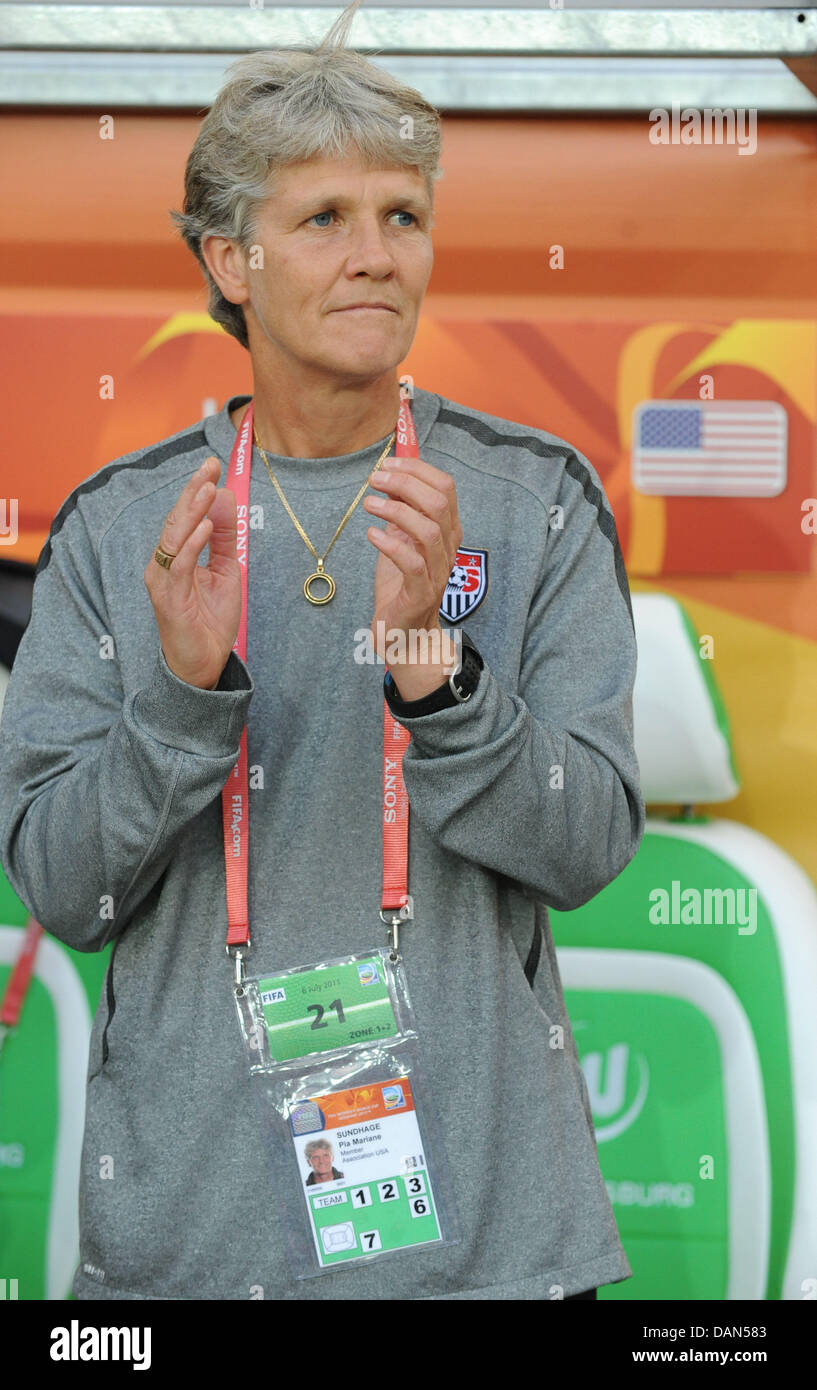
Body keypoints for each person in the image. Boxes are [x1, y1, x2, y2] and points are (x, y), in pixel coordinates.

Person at [0, 0, 645, 1301]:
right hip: (187, 1250)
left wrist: (439, 673)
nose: (376, 256)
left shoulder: (535, 502)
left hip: (486, 1256)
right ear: (230, 262)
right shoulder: (125, 527)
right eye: (324, 220)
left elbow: (583, 855)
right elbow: (67, 893)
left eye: (402, 215)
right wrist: (180, 700)